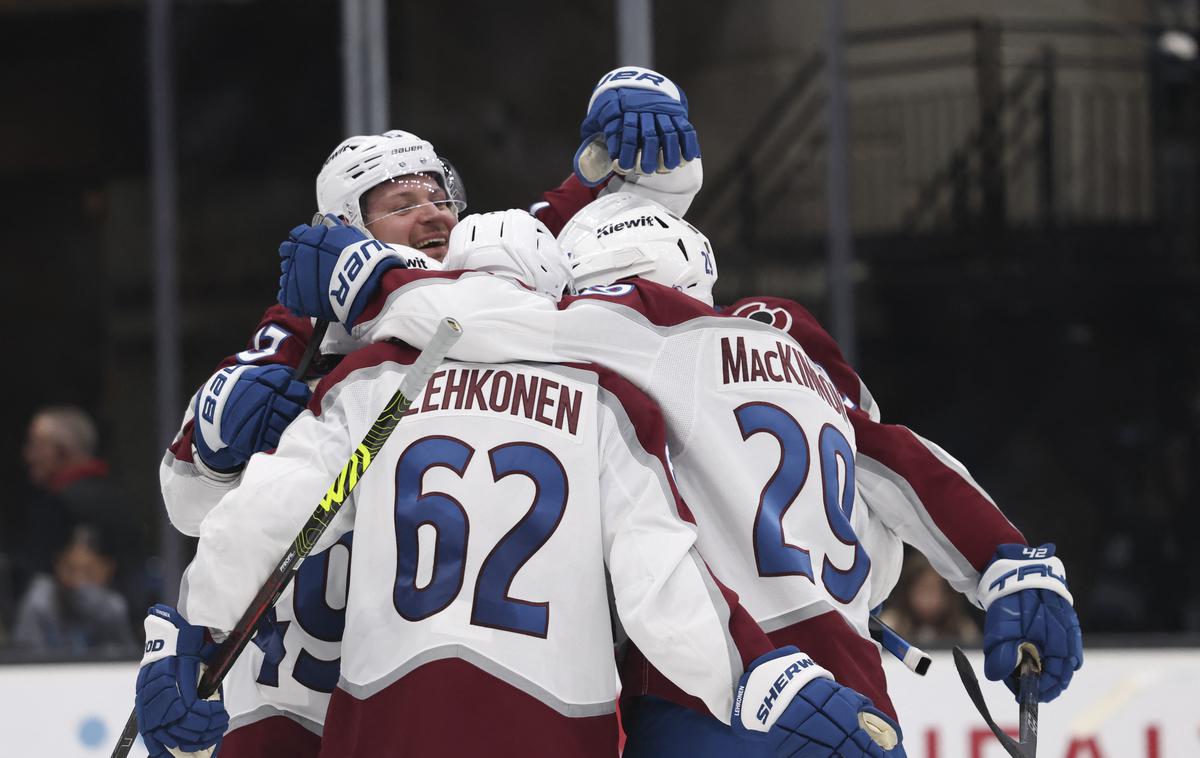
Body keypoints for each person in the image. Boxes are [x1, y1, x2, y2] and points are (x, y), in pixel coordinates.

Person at [142, 231, 903, 757]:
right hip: (547, 734)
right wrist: (769, 680)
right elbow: (663, 583)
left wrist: (189, 630)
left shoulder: (373, 383)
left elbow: (260, 519)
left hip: (382, 727)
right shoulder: (604, 402)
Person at [156, 66, 708, 757]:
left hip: (421, 700)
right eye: (402, 201)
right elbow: (194, 508)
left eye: (441, 196)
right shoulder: (298, 353)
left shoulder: (496, 323)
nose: (435, 213)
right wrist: (214, 459)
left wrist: (638, 150)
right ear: (348, 227)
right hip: (296, 704)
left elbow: (593, 216)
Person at [16, 405, 145, 628]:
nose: (28, 455)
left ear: (62, 451)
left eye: (35, 446)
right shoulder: (122, 500)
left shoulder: (57, 505)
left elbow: (37, 582)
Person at [11, 527, 135, 654]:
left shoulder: (114, 607)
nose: (78, 582)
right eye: (70, 570)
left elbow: (126, 660)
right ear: (57, 565)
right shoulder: (39, 604)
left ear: (107, 569)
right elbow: (26, 663)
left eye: (88, 571)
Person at [878, 551, 981, 647]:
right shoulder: (890, 624)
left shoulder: (963, 629)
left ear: (947, 594)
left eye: (933, 590)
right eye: (922, 590)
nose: (928, 598)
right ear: (908, 591)